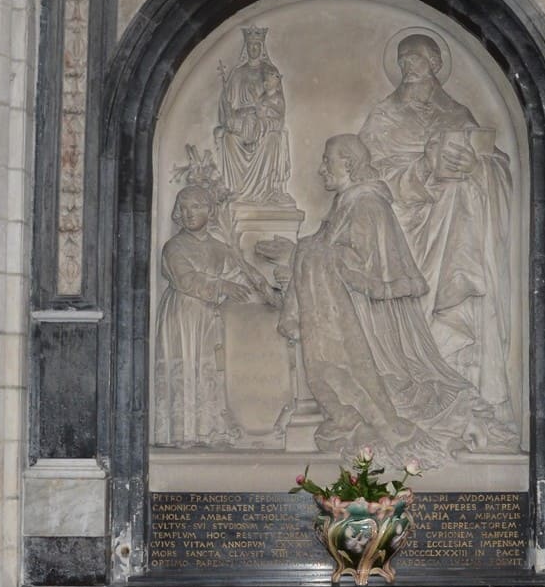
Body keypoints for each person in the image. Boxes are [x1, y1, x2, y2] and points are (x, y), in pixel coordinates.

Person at [358, 33, 522, 447]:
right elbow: (369, 176)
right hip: (403, 227)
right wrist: (425, 171)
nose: (409, 66)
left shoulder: (458, 114)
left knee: (462, 192)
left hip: (454, 234)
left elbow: (496, 164)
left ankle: (458, 389)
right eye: (403, 59)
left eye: (418, 58)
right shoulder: (383, 117)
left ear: (435, 64)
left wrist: (475, 164)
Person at [278, 134, 481, 466]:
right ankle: (352, 417)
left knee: (374, 379)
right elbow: (332, 250)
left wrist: (305, 252)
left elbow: (361, 267)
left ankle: (373, 417)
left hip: (368, 324)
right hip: (348, 315)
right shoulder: (347, 203)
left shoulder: (367, 205)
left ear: (350, 164)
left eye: (328, 161)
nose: (320, 169)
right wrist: (301, 252)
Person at [152, 183, 276, 447]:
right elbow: (187, 279)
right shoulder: (174, 247)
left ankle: (209, 429)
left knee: (209, 369)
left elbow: (239, 278)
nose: (188, 213)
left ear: (210, 211)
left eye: (196, 207)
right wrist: (222, 286)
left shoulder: (220, 248)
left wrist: (271, 290)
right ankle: (182, 433)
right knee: (185, 365)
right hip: (183, 314)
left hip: (210, 315)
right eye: (183, 208)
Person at [215, 27, 294, 206]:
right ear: (246, 48)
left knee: (273, 139)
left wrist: (264, 116)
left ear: (262, 47)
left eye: (257, 45)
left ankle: (266, 191)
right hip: (242, 123)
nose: (254, 49)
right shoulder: (238, 73)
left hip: (264, 124)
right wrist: (231, 115)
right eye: (251, 46)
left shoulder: (270, 71)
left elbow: (278, 107)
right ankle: (238, 190)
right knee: (229, 139)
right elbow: (228, 103)